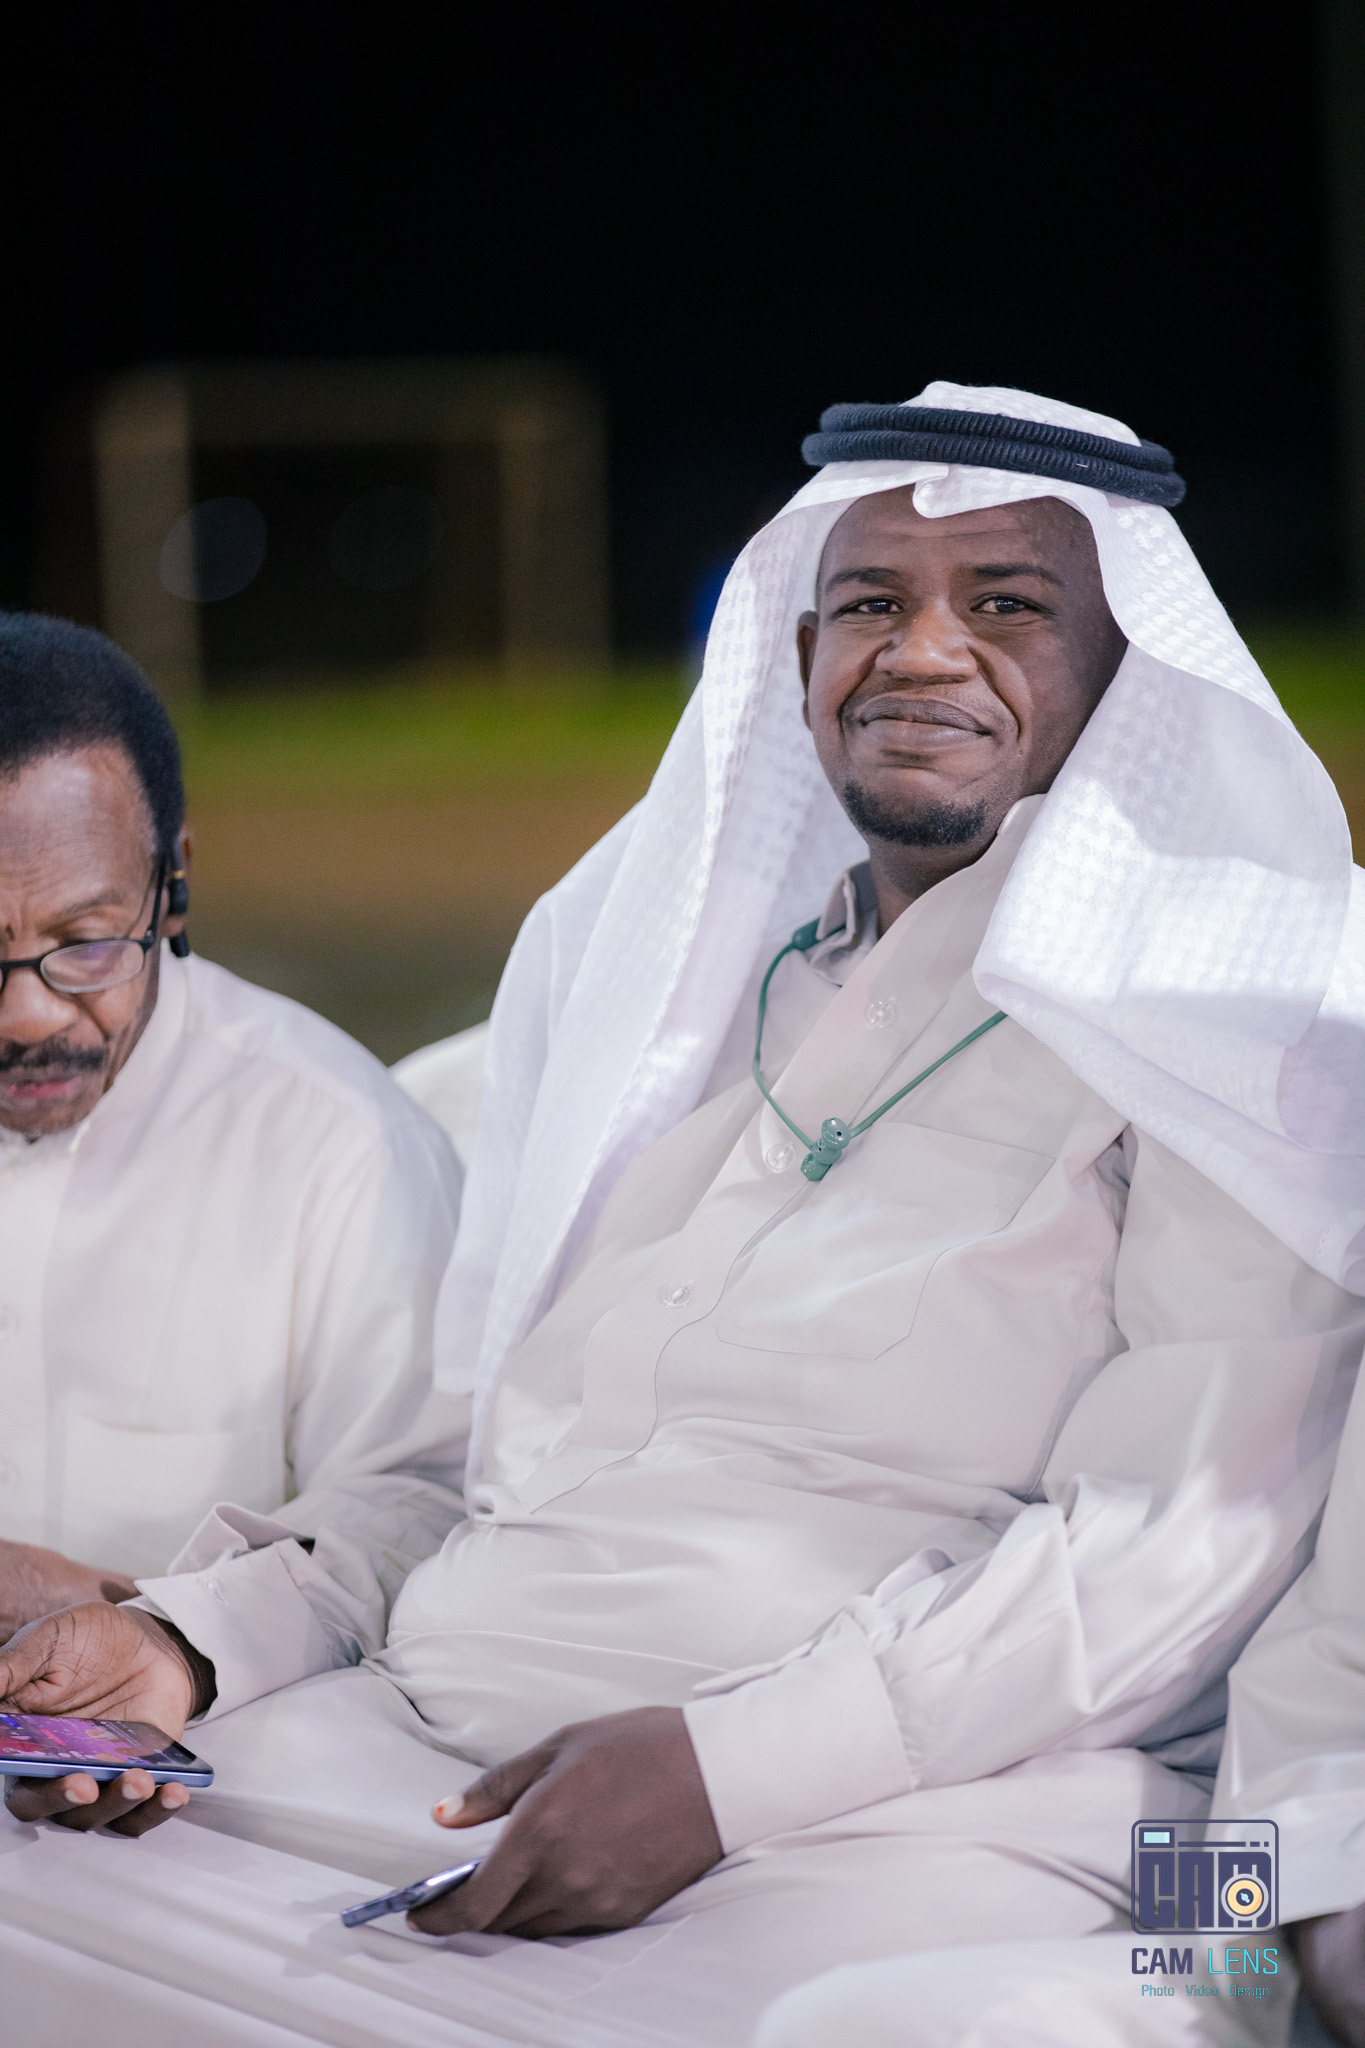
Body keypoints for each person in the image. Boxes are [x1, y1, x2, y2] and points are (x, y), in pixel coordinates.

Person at [3, 385, 1364, 2048]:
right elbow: (474, 1475)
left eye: (1007, 605)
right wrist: (192, 1646)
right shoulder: (677, 998)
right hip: (407, 1757)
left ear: (1130, 671)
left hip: (899, 1825)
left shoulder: (1227, 1024)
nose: (922, 650)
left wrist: (726, 1772)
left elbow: (1180, 1542)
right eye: (870, 602)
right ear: (797, 654)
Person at [0, 613, 464, 1643]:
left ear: (172, 888)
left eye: (85, 943)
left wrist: (151, 1623)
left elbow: (421, 1514)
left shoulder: (343, 1145)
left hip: (222, 1737)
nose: (26, 1016)